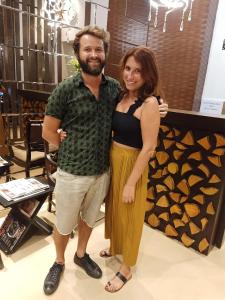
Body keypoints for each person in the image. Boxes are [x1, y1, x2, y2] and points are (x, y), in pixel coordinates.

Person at [42, 25, 168, 295]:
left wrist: (160, 105)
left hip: (103, 171)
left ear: (105, 53)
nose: (94, 53)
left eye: (98, 49)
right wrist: (62, 138)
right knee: (64, 223)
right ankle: (58, 261)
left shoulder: (114, 89)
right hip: (73, 171)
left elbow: (145, 107)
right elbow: (48, 132)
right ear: (79, 53)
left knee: (89, 219)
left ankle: (81, 253)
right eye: (88, 49)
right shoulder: (65, 89)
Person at [100, 47, 162, 293]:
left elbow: (149, 148)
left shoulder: (150, 104)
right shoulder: (121, 96)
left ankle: (126, 268)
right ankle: (116, 247)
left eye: (138, 71)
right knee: (115, 209)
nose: (131, 75)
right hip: (115, 160)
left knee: (131, 215)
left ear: (148, 75)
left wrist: (129, 182)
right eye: (128, 68)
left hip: (133, 165)